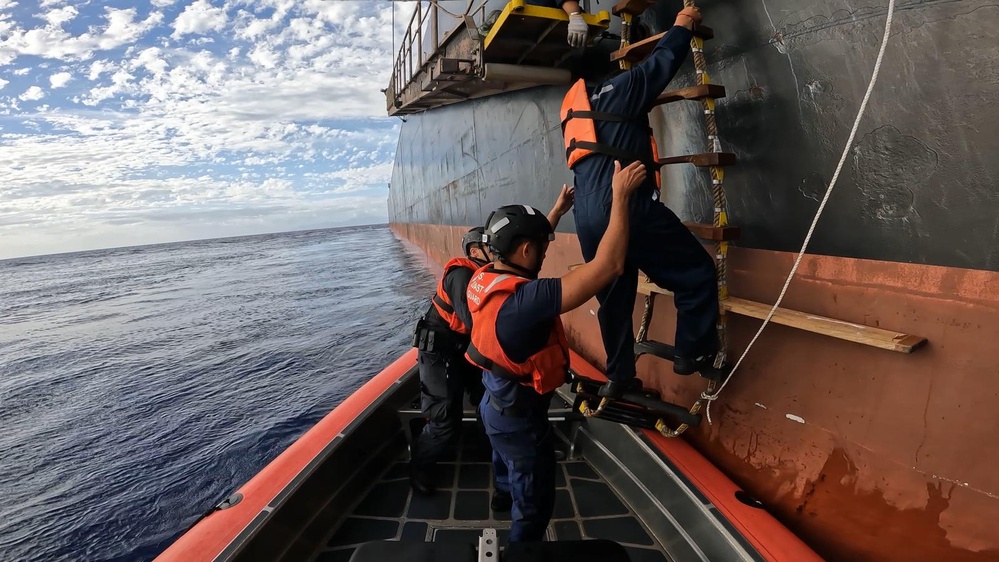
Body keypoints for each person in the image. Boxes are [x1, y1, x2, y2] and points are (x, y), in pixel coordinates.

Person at [465, 163, 645, 542]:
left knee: (504, 462)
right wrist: (622, 196)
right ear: (527, 250)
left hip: (493, 404)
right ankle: (522, 549)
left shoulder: (483, 275)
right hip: (521, 422)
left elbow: (523, 245)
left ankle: (500, 495)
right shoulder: (528, 301)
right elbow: (608, 266)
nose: (546, 253)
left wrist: (556, 212)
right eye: (542, 248)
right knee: (533, 503)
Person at [559, 6, 721, 399]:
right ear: (610, 66)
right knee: (696, 273)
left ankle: (620, 376)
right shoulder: (622, 89)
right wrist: (682, 25)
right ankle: (693, 353)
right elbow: (662, 64)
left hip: (588, 215)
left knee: (613, 297)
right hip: (627, 203)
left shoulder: (572, 110)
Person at [408, 227, 492, 495]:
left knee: (486, 398)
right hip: (440, 352)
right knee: (444, 419)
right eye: (492, 245)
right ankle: (420, 466)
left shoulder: (485, 275)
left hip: (461, 348)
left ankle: (486, 447)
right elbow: (475, 324)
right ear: (475, 251)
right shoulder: (463, 276)